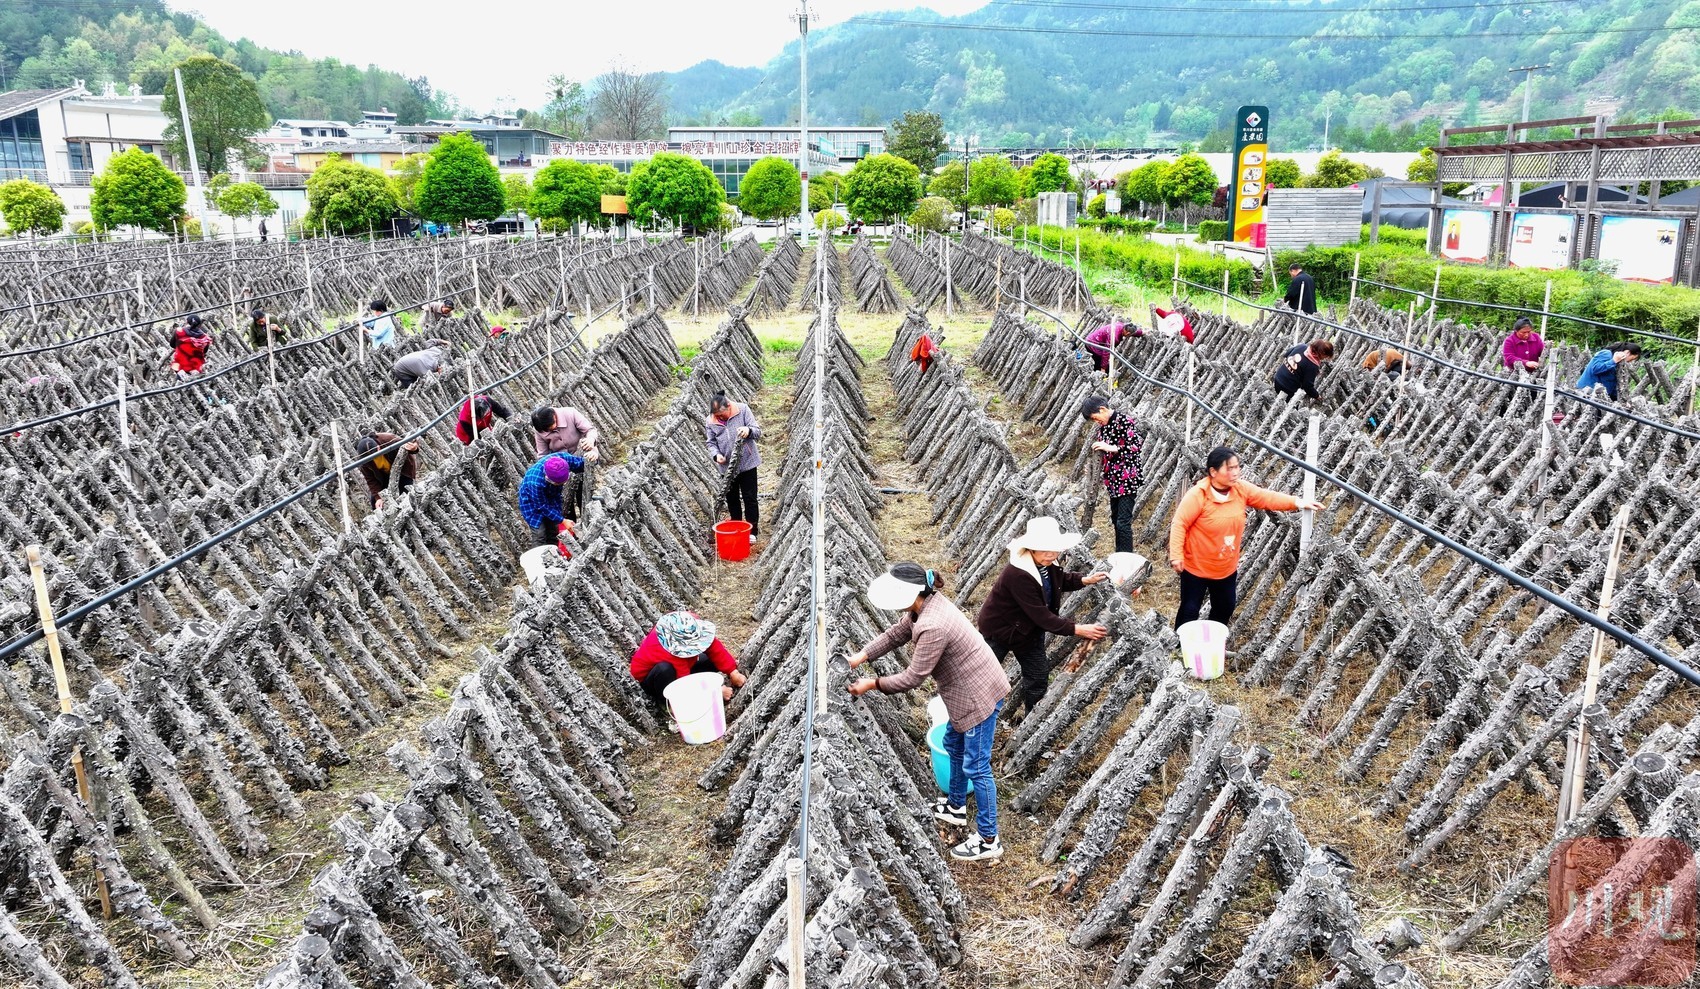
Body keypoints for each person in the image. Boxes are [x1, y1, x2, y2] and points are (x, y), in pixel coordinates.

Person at [848, 562, 1010, 862]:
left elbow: (914, 677)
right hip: (967, 692)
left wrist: (872, 683)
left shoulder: (932, 625)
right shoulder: (924, 606)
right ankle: (957, 806)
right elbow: (895, 634)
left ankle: (989, 839)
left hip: (977, 696)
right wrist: (861, 656)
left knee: (978, 767)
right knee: (953, 745)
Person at [1168, 446, 1323, 629]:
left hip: (1225, 568)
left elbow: (1266, 497)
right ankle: (1180, 647)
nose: (1235, 472)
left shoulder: (1240, 489)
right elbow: (1180, 523)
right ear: (1213, 472)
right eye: (1230, 468)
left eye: (1237, 467)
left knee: (1224, 607)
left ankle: (1211, 645)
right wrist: (1176, 555)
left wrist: (1297, 502)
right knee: (1190, 609)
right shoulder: (1199, 495)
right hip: (1196, 567)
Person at [976, 517, 1109, 720]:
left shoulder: (1048, 563)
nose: (1051, 554)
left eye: (1054, 549)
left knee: (1038, 677)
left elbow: (1059, 580)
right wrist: (1078, 629)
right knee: (984, 675)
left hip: (1027, 632)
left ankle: (1030, 723)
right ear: (1031, 548)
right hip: (1000, 630)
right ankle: (977, 715)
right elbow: (1042, 616)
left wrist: (1084, 580)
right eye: (1044, 549)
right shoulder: (1018, 574)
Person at [629, 610, 747, 717]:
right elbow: (684, 685)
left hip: (682, 666)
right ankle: (671, 704)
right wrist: (715, 692)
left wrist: (733, 672)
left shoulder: (689, 623)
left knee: (710, 660)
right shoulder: (668, 651)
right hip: (653, 680)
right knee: (665, 670)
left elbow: (714, 647)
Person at [1080, 396, 1145, 554]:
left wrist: (1112, 447)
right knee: (1116, 520)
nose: (1097, 422)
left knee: (1123, 522)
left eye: (1096, 418)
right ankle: (1119, 552)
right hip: (1114, 480)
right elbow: (1104, 454)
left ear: (1102, 410)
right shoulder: (1104, 427)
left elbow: (1136, 446)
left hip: (1127, 479)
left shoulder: (1124, 421)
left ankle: (1127, 557)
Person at [705, 391, 763, 543]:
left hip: (748, 463)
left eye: (721, 414)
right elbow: (710, 443)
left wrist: (748, 430)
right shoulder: (710, 421)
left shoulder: (743, 410)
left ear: (728, 406)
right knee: (732, 499)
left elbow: (757, 431)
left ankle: (752, 530)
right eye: (716, 415)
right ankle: (737, 527)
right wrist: (716, 455)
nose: (719, 417)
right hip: (727, 467)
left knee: (750, 498)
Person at [518, 453, 586, 548]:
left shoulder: (562, 460)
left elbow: (582, 463)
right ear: (548, 479)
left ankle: (553, 555)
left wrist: (593, 455)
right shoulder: (535, 482)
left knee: (553, 530)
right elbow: (542, 505)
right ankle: (539, 559)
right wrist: (562, 520)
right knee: (539, 534)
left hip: (551, 497)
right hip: (531, 503)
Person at [354, 432, 418, 510]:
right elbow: (371, 480)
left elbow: (408, 445)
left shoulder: (388, 439)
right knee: (375, 503)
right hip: (383, 477)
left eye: (377, 452)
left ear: (378, 447)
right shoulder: (364, 462)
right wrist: (378, 498)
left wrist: (414, 448)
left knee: (406, 496)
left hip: (403, 471)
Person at [1575, 341, 1642, 401]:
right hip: (1586, 393)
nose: (1630, 361)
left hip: (1600, 396)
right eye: (1632, 359)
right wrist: (1613, 361)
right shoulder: (1606, 354)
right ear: (1627, 352)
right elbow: (1595, 369)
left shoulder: (1619, 364)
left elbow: (1611, 383)